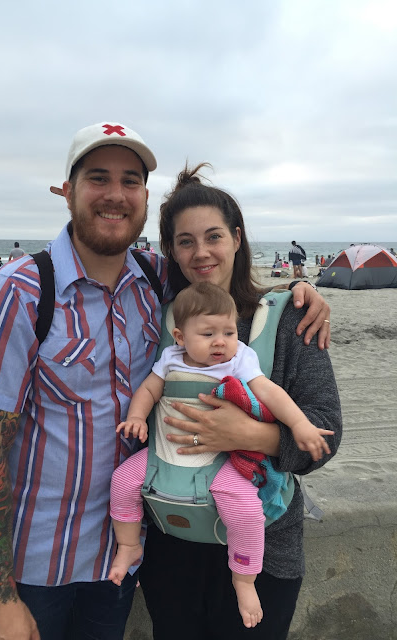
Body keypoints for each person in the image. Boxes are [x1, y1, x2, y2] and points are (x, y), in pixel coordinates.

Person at [0, 123, 330, 640]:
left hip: (123, 560)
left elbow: (225, 289)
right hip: (42, 564)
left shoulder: (156, 283)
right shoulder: (24, 291)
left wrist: (304, 290)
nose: (115, 194)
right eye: (98, 178)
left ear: (145, 198)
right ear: (67, 190)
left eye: (130, 181)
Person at [138, 164, 341, 640]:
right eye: (185, 241)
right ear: (170, 251)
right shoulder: (158, 321)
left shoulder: (289, 318)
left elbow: (326, 431)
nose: (201, 252)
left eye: (213, 236)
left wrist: (250, 435)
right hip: (171, 538)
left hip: (265, 549)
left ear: (236, 237)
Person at [109, 282, 334, 629]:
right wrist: (137, 417)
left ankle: (244, 579)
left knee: (246, 511)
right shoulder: (170, 357)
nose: (221, 342)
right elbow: (149, 390)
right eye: (208, 334)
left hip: (218, 463)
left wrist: (300, 425)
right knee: (122, 481)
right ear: (180, 337)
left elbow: (269, 393)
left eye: (229, 332)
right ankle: (128, 546)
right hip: (164, 455)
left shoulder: (239, 358)